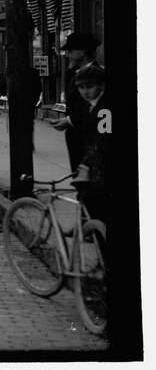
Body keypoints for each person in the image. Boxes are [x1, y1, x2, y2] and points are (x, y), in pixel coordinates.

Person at [64, 63, 110, 228]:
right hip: (93, 160)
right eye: (81, 87)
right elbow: (82, 117)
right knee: (89, 197)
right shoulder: (90, 104)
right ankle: (89, 226)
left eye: (90, 86)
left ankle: (95, 230)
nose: (85, 91)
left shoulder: (105, 108)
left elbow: (103, 138)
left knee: (97, 199)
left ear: (102, 85)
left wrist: (87, 162)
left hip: (101, 162)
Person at [59, 31, 101, 170]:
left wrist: (70, 120)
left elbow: (94, 107)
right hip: (75, 132)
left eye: (70, 51)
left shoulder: (97, 74)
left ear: (81, 52)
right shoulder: (75, 73)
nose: (68, 54)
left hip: (89, 133)